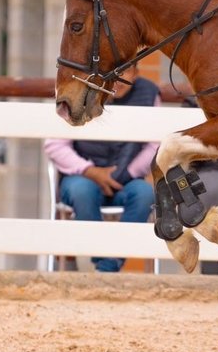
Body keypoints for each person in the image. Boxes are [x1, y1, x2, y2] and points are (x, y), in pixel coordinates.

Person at [42, 73, 160, 272]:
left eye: (126, 71)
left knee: (145, 194)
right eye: (115, 72)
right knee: (82, 192)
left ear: (136, 71)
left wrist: (128, 172)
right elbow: (55, 145)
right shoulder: (77, 89)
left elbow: (155, 145)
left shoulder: (149, 93)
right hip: (82, 177)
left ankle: (106, 266)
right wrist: (90, 170)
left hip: (126, 180)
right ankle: (106, 262)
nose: (120, 79)